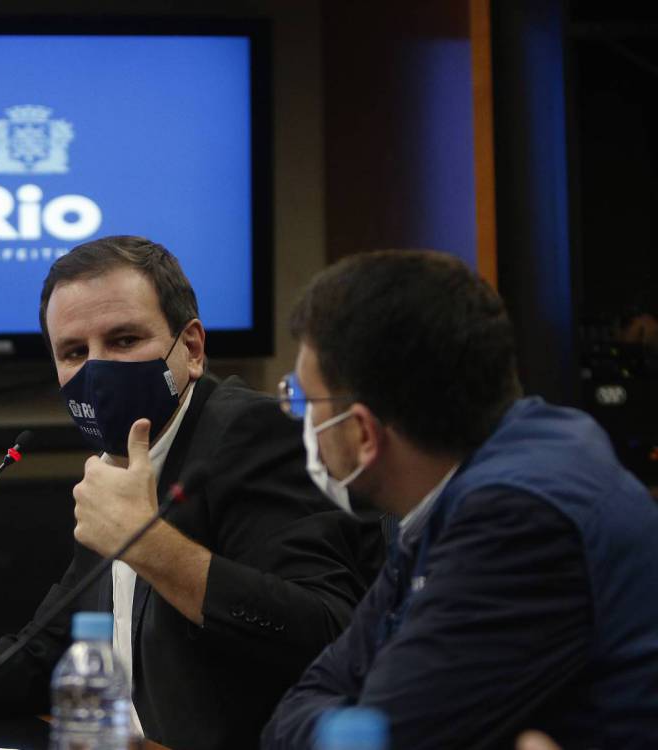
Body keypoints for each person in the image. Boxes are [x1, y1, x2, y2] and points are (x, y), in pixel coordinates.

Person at [0, 236, 382, 749]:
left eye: (124, 339)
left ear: (193, 348)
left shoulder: (247, 435)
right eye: (74, 352)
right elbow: (46, 648)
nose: (98, 370)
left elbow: (326, 629)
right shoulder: (113, 462)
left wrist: (149, 544)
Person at [261, 250, 658, 748]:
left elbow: (385, 740)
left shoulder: (518, 519)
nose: (302, 418)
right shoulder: (489, 471)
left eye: (304, 399)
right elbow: (305, 703)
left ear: (362, 431)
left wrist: (342, 722)